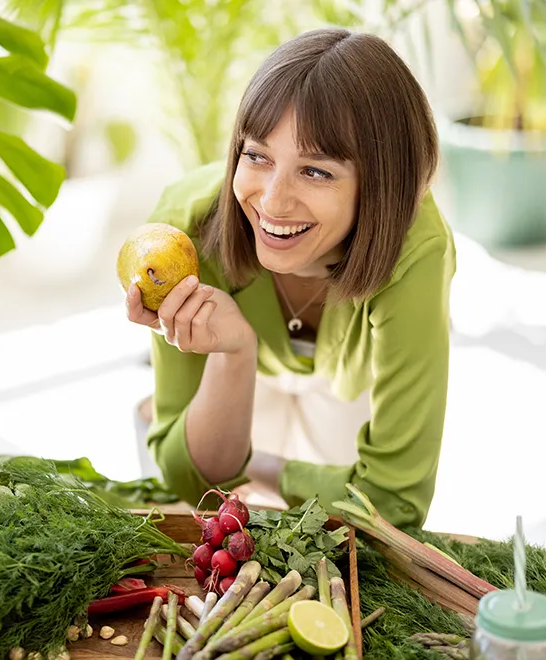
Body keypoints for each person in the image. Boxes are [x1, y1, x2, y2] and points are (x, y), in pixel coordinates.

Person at [125, 27, 456, 528]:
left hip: (348, 379)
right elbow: (189, 481)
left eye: (316, 171)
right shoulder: (185, 231)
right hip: (252, 368)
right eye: (257, 156)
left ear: (382, 182)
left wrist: (264, 470)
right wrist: (232, 354)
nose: (273, 202)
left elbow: (393, 503)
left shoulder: (416, 251)